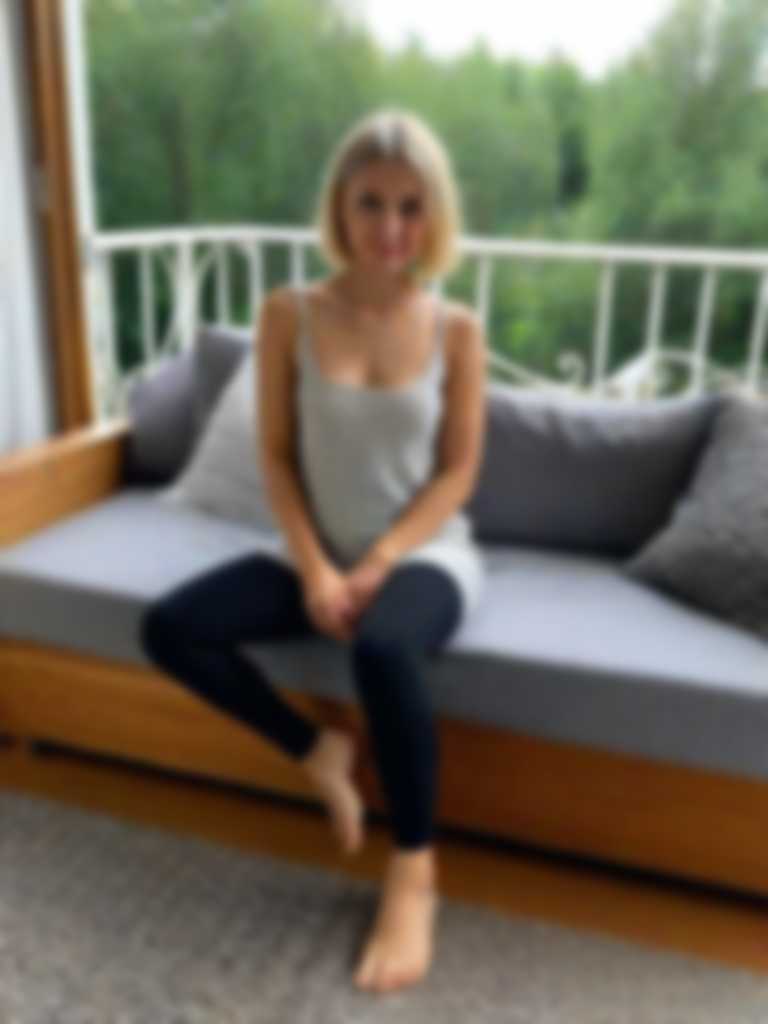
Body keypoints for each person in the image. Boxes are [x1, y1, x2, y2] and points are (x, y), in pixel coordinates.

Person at [139, 106, 488, 995]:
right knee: (170, 627)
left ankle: (413, 872)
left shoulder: (456, 328)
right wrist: (316, 568)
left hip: (424, 554)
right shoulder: (288, 313)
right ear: (340, 206)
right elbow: (276, 458)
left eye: (411, 206)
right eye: (371, 203)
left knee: (382, 648)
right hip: (312, 547)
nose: (390, 227)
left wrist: (377, 563)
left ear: (434, 215)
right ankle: (318, 750)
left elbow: (457, 474)